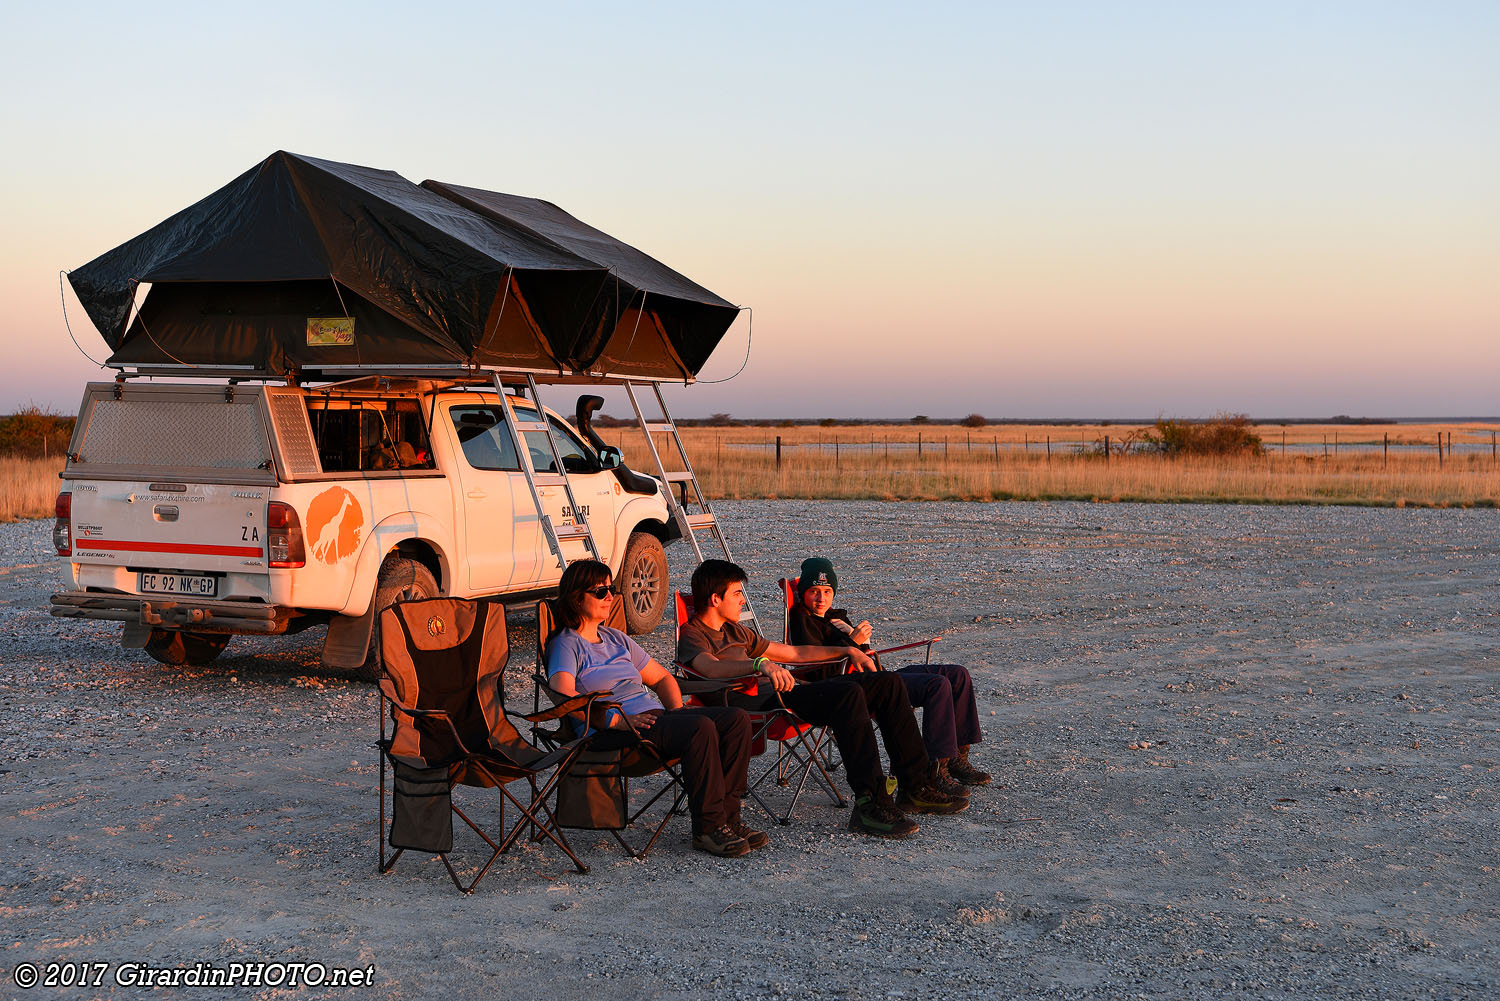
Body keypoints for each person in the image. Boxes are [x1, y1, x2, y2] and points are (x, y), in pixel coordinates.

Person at [676, 559, 967, 840]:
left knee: (888, 684)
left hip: (788, 692)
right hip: (753, 704)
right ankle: (871, 803)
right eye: (738, 593)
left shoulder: (737, 630)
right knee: (848, 694)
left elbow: (795, 654)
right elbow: (709, 667)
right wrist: (758, 665)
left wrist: (846, 651)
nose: (743, 600)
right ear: (716, 599)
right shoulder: (693, 635)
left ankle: (914, 785)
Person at [547, 560, 764, 859]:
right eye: (601, 591)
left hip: (651, 721)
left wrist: (676, 714)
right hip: (610, 733)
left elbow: (662, 677)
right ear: (576, 597)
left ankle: (729, 819)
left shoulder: (615, 638)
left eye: (611, 589)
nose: (611, 596)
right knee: (700, 727)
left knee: (735, 720)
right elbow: (563, 695)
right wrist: (617, 720)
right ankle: (708, 829)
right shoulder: (566, 644)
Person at [787, 557, 992, 794]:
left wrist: (858, 639)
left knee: (958, 674)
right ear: (803, 593)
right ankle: (936, 770)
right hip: (861, 686)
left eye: (826, 591)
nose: (821, 598)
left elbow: (866, 654)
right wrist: (852, 641)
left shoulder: (836, 618)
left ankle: (956, 758)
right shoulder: (803, 623)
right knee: (937, 685)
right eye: (813, 591)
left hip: (878, 676)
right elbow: (820, 672)